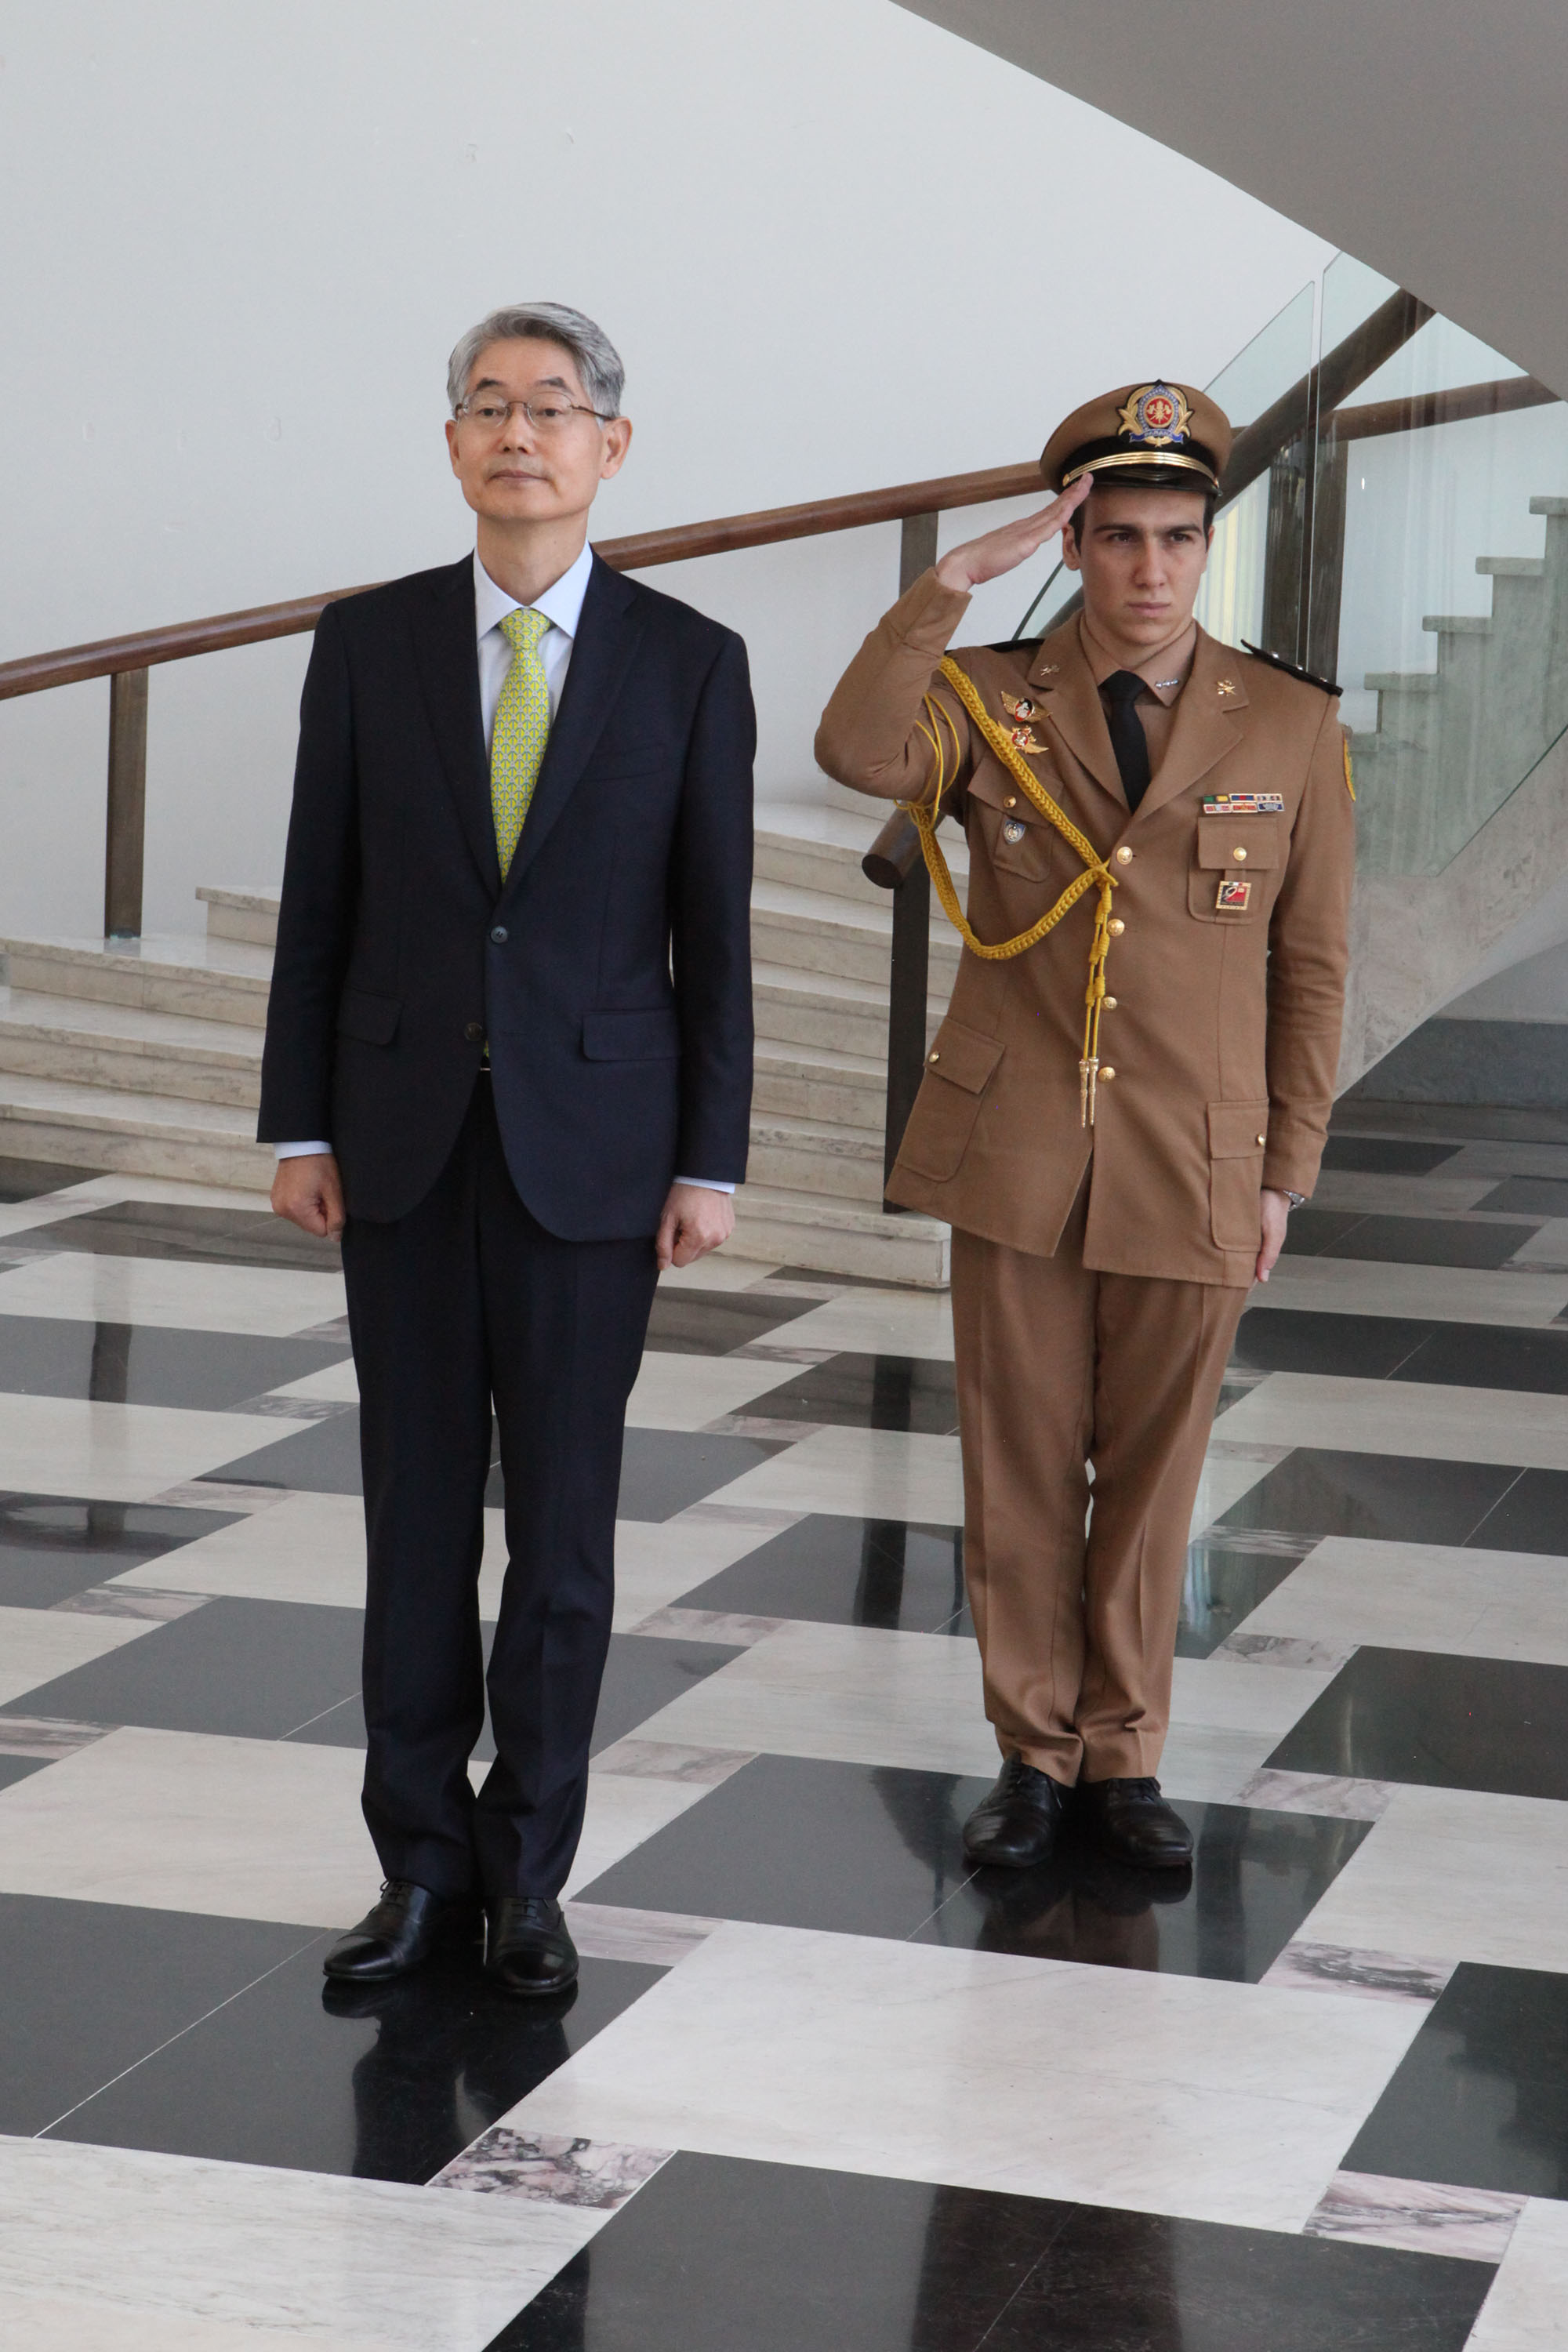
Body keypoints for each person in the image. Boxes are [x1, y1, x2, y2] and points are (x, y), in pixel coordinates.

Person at [260, 303, 755, 1991]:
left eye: (551, 408)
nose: (517, 434)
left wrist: (712, 1157)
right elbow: (315, 901)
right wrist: (298, 1118)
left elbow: (714, 934)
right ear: (453, 442)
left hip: (595, 1157)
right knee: (411, 1521)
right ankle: (417, 1870)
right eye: (486, 406)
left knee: (560, 1531)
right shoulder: (368, 642)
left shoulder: (690, 662)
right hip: (395, 1144)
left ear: (611, 447)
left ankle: (530, 1868)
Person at [816, 381, 1354, 1871]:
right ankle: (1031, 1758)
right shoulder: (990, 696)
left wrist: (1286, 1170)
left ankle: (1125, 1759)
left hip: (1199, 1154)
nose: (1150, 571)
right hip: (1022, 1156)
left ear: (1206, 546)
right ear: (1078, 545)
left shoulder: (1292, 722)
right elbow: (859, 754)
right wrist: (943, 591)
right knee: (1023, 1467)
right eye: (1116, 538)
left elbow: (1311, 968)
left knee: (1156, 1473)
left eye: (1178, 538)